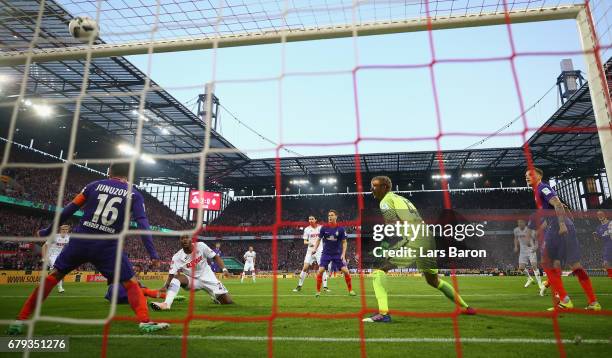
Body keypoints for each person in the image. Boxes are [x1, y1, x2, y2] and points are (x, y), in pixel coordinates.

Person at [7, 163, 169, 334]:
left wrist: (48, 230)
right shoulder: (134, 194)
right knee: (131, 284)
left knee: (54, 276)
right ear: (128, 176)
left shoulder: (93, 186)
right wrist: (152, 253)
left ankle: (20, 320)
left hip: (81, 240)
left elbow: (69, 209)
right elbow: (142, 223)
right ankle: (144, 321)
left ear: (109, 172)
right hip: (108, 246)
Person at [363, 176, 475, 323]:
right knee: (433, 280)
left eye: (374, 186)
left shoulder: (385, 201)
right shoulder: (402, 199)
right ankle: (467, 308)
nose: (371, 189)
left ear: (384, 187)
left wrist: (383, 247)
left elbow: (390, 226)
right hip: (427, 238)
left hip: (415, 239)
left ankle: (384, 314)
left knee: (378, 270)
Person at [526, 167, 601, 311]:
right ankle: (593, 303)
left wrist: (561, 224)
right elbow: (559, 207)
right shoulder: (539, 192)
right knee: (575, 265)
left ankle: (565, 300)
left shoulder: (543, 188)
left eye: (530, 174)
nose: (527, 177)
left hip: (558, 228)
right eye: (526, 175)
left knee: (546, 262)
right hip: (561, 226)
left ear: (539, 176)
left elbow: (558, 204)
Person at [151, 235, 232, 310]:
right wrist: (165, 286)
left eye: (187, 238)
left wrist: (224, 269)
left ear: (191, 239)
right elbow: (171, 274)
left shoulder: (201, 246)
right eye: (182, 238)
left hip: (208, 277)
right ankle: (166, 304)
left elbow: (216, 257)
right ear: (180, 241)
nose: (185, 240)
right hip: (192, 280)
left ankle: (215, 297)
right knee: (177, 278)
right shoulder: (177, 257)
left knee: (228, 302)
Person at [312, 210, 355, 297]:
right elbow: (318, 239)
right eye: (328, 215)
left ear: (336, 216)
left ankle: (350, 290)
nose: (330, 217)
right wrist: (315, 249)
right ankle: (318, 291)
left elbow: (344, 242)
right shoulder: (324, 228)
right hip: (326, 254)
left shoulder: (341, 229)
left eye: (332, 215)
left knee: (346, 272)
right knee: (320, 271)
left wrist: (343, 254)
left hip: (337, 254)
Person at [293, 215, 328, 292]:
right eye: (309, 219)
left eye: (312, 219)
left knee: (323, 268)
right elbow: (305, 241)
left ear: (316, 220)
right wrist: (309, 243)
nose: (310, 220)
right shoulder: (307, 229)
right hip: (310, 251)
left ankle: (325, 287)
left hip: (319, 251)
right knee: (305, 267)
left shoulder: (321, 228)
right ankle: (299, 286)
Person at [513, 219, 543, 293]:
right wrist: (516, 246)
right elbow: (516, 238)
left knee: (534, 266)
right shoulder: (516, 230)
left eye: (521, 222)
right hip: (523, 252)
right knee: (521, 268)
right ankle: (529, 278)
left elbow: (536, 239)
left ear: (524, 223)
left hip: (531, 250)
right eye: (518, 222)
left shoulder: (530, 231)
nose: (519, 224)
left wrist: (536, 246)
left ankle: (540, 284)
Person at [41, 224, 71, 293]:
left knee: (60, 272)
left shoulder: (69, 238)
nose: (64, 231)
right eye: (63, 229)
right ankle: (60, 287)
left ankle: (48, 280)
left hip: (62, 256)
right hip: (52, 255)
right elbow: (44, 246)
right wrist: (44, 257)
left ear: (68, 231)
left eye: (66, 230)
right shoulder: (54, 237)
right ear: (60, 230)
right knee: (58, 270)